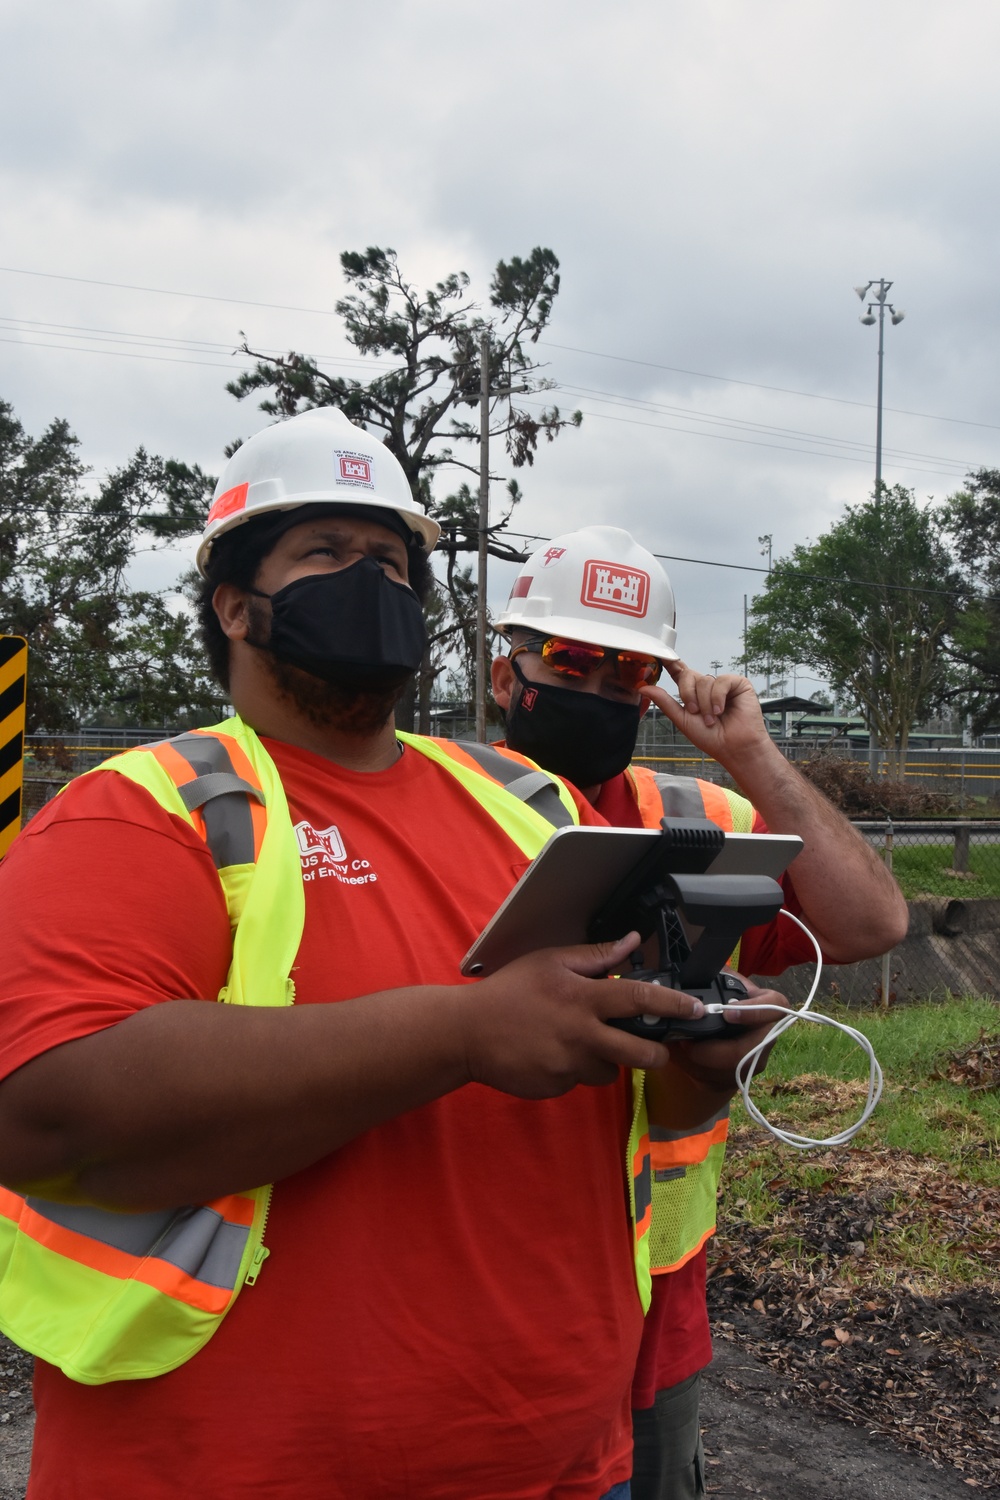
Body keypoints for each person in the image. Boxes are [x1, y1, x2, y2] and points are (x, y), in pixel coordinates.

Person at [0, 411, 790, 1500]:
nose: (369, 582)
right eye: (325, 553)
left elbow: (631, 1101)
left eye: (391, 563)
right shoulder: (144, 811)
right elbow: (38, 1110)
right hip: (226, 1471)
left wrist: (697, 1066)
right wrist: (461, 1030)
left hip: (566, 1462)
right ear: (235, 605)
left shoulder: (531, 808)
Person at [490, 525, 909, 1500]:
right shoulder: (444, 813)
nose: (596, 691)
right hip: (499, 1294)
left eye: (625, 672)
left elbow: (870, 921)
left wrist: (751, 756)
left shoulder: (696, 822)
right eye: (570, 660)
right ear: (505, 671)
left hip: (657, 1303)